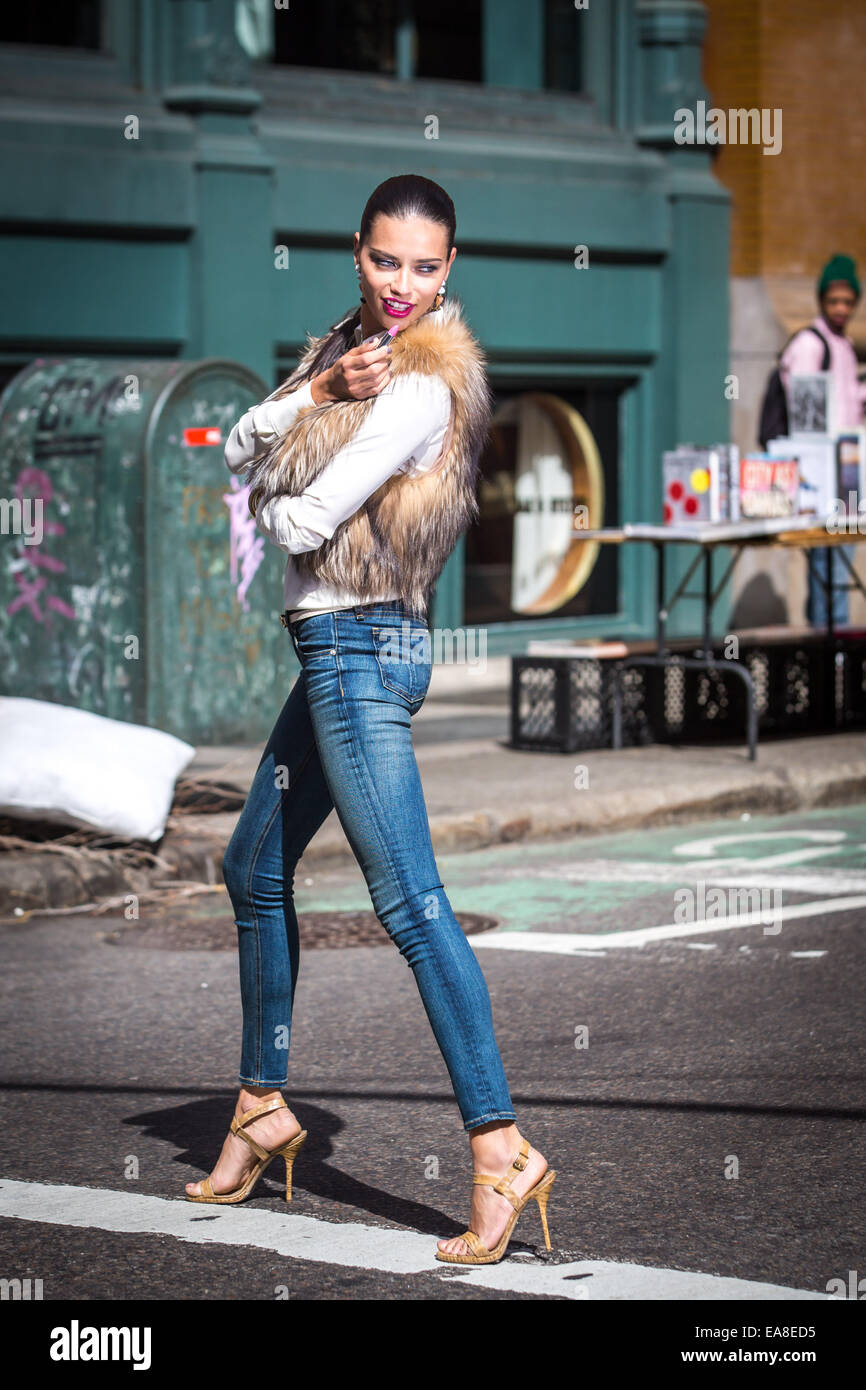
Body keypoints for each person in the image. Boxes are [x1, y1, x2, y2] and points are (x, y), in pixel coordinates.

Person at [184, 174, 556, 1266]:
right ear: (357, 251)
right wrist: (310, 396)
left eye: (425, 266)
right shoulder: (346, 353)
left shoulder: (421, 390)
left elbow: (295, 509)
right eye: (386, 260)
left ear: (452, 269)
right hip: (339, 656)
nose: (402, 285)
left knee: (412, 904)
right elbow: (239, 443)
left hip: (355, 656)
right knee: (252, 869)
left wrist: (270, 488)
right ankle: (262, 1107)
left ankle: (498, 1148)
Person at [779, 253, 866, 627]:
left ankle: (837, 655)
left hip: (848, 471)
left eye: (848, 301)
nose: (841, 309)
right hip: (820, 474)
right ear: (821, 301)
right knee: (826, 569)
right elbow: (805, 416)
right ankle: (827, 659)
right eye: (834, 301)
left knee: (841, 567)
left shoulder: (844, 347)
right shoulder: (810, 345)